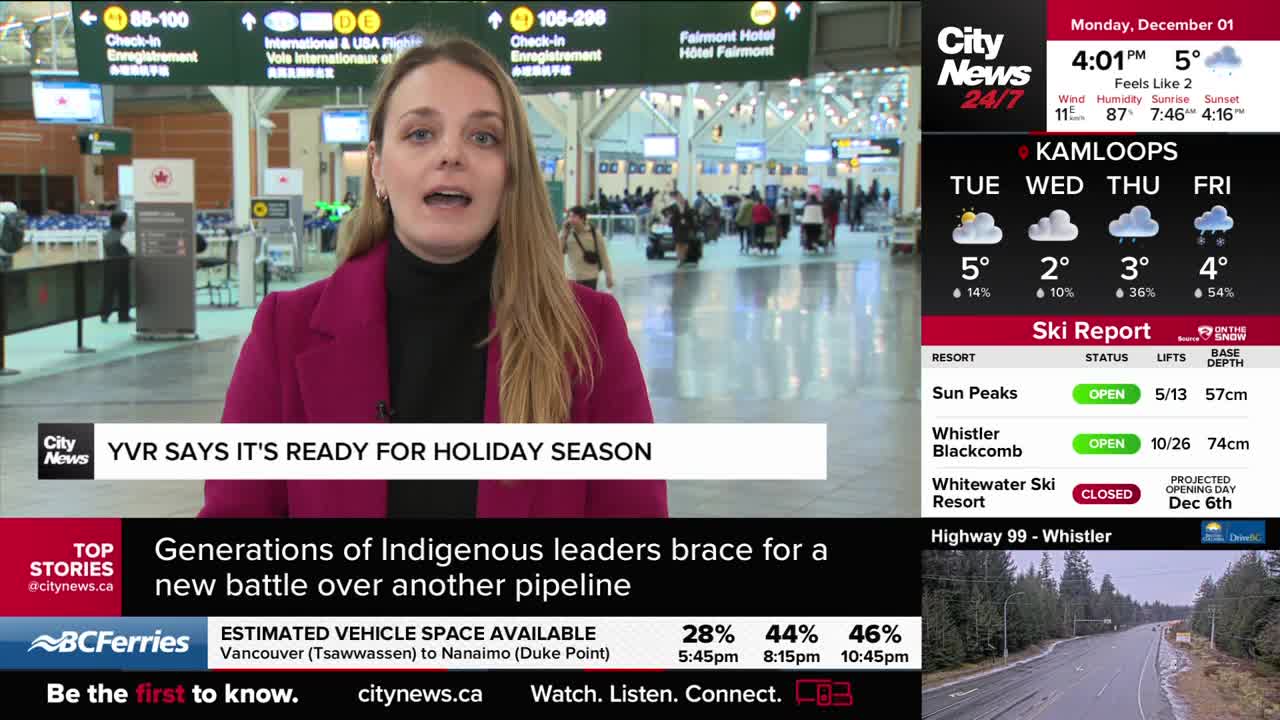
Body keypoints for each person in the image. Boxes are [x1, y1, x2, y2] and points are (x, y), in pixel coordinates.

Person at [198, 32, 667, 519]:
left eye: (483, 137)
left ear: (509, 175)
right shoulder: (285, 331)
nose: (451, 155)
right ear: (378, 167)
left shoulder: (591, 333)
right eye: (420, 133)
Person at [561, 205, 614, 290]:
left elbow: (603, 256)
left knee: (588, 303)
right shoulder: (567, 234)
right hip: (573, 277)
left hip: (590, 277)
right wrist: (563, 233)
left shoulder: (594, 233)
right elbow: (559, 250)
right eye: (569, 217)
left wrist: (609, 275)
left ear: (582, 219)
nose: (570, 220)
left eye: (574, 216)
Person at [100, 210, 133, 323]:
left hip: (109, 265)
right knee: (123, 291)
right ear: (122, 222)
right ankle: (123, 316)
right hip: (122, 266)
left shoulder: (106, 235)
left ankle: (104, 315)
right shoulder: (124, 235)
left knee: (108, 290)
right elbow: (132, 250)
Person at [665, 190, 698, 267]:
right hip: (677, 227)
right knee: (678, 244)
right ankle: (679, 259)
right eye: (678, 197)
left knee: (685, 244)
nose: (679, 198)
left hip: (685, 227)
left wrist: (692, 226)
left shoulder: (687, 206)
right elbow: (668, 215)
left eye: (680, 196)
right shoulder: (674, 206)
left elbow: (690, 216)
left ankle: (682, 258)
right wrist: (669, 220)